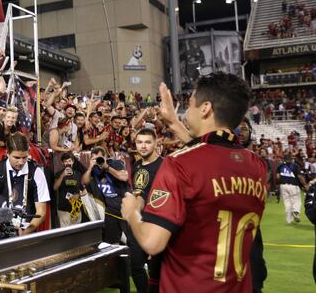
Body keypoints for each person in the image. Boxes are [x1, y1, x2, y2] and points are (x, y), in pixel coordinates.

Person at [121, 73, 266, 293]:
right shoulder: (257, 166)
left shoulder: (179, 164)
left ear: (205, 108)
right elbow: (213, 158)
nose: (186, 112)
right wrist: (174, 123)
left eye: (189, 106)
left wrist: (132, 213)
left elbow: (152, 242)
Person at [0, 132, 50, 237]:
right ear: (7, 153)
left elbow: (41, 210)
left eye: (24, 157)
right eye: (17, 157)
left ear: (29, 152)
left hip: (27, 233)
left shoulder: (36, 173)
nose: (21, 162)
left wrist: (25, 232)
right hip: (1, 232)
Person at [129, 128, 164, 293]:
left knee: (157, 271)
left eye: (148, 142)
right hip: (139, 223)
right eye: (139, 142)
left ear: (156, 143)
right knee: (135, 266)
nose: (143, 146)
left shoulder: (164, 165)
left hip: (156, 224)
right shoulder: (136, 165)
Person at [83, 145, 129, 243]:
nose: (97, 161)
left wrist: (106, 167)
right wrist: (90, 167)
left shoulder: (115, 163)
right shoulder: (95, 170)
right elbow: (84, 182)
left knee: (132, 242)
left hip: (126, 208)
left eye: (99, 158)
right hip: (111, 211)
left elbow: (124, 177)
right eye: (94, 159)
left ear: (105, 157)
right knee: (109, 242)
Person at [53, 151, 85, 227]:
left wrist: (78, 195)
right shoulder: (58, 174)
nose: (67, 163)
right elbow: (55, 188)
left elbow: (85, 191)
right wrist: (62, 176)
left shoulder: (78, 174)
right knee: (65, 234)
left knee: (76, 233)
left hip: (76, 209)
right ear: (63, 163)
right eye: (65, 161)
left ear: (73, 161)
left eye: (69, 161)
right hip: (63, 209)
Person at [277, 153, 311, 224]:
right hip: (293, 185)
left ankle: (289, 220)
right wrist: (305, 185)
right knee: (296, 200)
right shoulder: (295, 166)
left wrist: (278, 186)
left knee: (287, 202)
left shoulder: (280, 166)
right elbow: (299, 177)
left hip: (283, 186)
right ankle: (296, 211)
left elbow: (277, 177)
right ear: (290, 158)